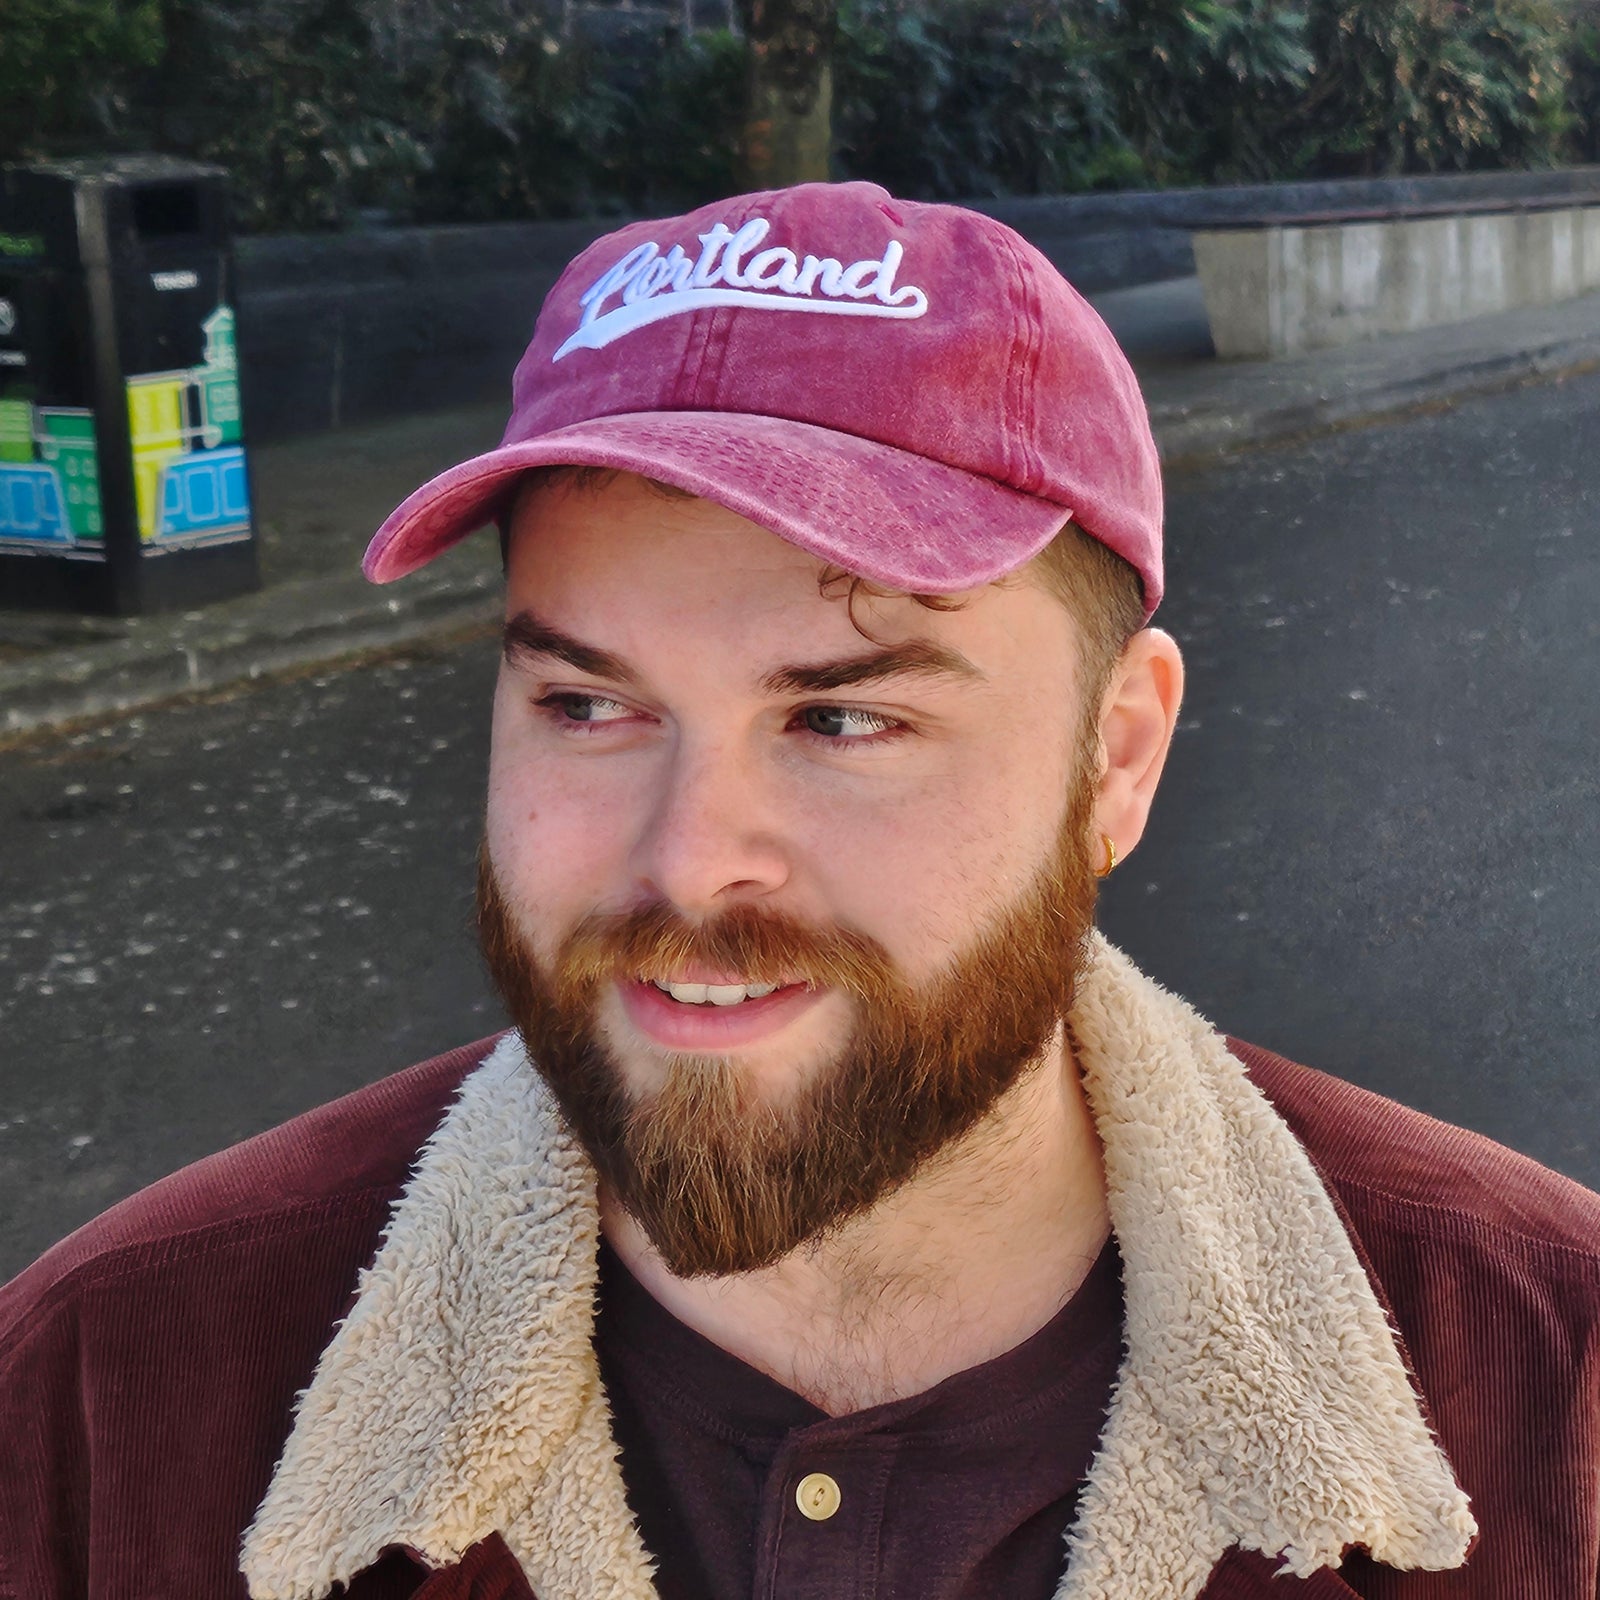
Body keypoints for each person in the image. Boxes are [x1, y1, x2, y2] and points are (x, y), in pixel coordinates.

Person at [2, 181, 1597, 1600]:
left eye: (844, 717)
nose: (690, 859)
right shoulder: (99, 1397)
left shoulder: (1554, 1384)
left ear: (1118, 758)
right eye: (587, 705)